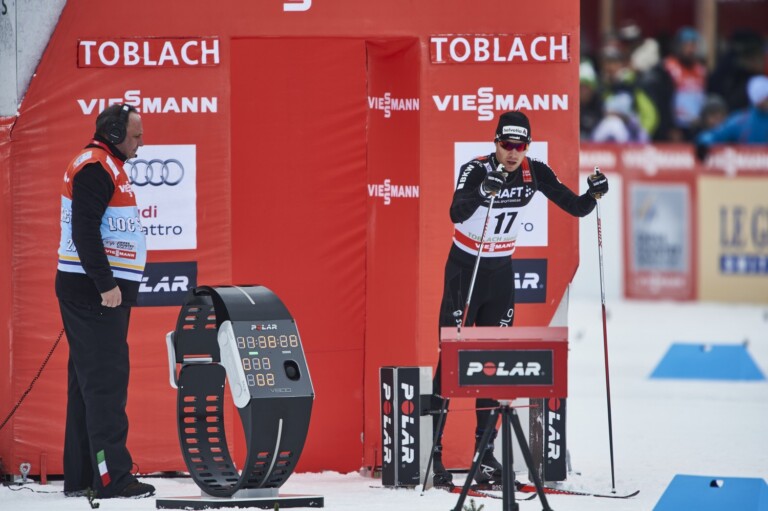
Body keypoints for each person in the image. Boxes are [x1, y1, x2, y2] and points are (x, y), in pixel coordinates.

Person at [431, 111, 609, 486]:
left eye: (520, 145)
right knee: (450, 362)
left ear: (528, 147)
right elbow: (455, 212)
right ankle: (434, 456)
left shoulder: (534, 172)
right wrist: (484, 191)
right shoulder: (476, 169)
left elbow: (575, 206)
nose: (513, 153)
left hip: (500, 274)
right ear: (495, 143)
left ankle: (484, 455)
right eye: (506, 144)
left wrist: (594, 194)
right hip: (465, 271)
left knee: (491, 365)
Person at [56, 104, 155, 499]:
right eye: (136, 135)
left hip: (89, 292)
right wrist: (106, 284)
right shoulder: (96, 168)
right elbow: (84, 231)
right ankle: (113, 477)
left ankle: (83, 476)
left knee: (87, 384)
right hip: (95, 295)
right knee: (105, 386)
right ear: (114, 134)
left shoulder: (104, 165)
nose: (141, 142)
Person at [696, 74, 768, 158]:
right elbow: (715, 135)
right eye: (766, 98)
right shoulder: (742, 120)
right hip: (748, 163)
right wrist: (703, 143)